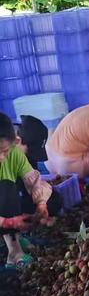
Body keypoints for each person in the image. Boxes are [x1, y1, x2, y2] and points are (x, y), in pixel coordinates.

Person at [0, 113, 55, 269]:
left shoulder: (14, 154)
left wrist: (42, 204)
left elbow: (34, 181)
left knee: (52, 199)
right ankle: (13, 254)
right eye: (0, 151)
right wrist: (6, 222)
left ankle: (14, 238)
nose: (3, 157)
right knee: (6, 187)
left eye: (6, 151)